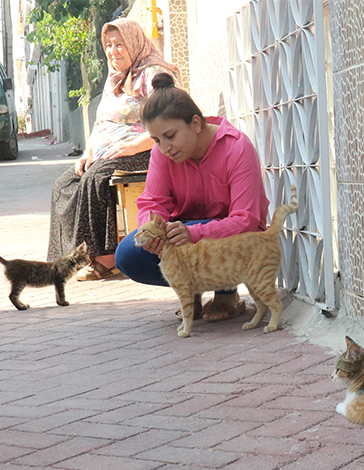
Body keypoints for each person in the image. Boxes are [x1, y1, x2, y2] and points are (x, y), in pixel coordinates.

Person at [115, 72, 270, 322]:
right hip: (180, 235)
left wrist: (195, 233)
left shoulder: (237, 147)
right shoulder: (161, 153)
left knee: (223, 234)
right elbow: (152, 203)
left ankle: (226, 293)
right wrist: (154, 231)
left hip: (233, 242)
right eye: (156, 139)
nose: (164, 148)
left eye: (170, 135)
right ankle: (190, 292)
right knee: (127, 255)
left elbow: (247, 220)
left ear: (196, 124)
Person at [47, 18, 181, 280]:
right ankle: (73, 258)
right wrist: (87, 153)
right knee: (63, 186)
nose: (113, 51)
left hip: (145, 149)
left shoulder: (150, 74)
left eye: (120, 44)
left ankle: (105, 259)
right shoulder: (116, 79)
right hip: (108, 151)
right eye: (108, 45)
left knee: (96, 179)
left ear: (134, 43)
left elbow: (170, 117)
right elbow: (100, 123)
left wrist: (132, 147)